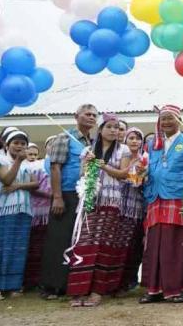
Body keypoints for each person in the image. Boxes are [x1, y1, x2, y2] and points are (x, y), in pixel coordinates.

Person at [66, 113, 133, 307]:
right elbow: (81, 174)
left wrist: (103, 166)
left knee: (104, 244)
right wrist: (88, 163)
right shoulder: (87, 149)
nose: (114, 130)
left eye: (117, 127)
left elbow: (123, 174)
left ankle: (97, 291)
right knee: (84, 244)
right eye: (110, 126)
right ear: (101, 129)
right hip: (89, 200)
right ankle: (79, 291)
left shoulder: (124, 150)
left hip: (111, 202)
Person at [139, 105, 183, 304]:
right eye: (162, 119)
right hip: (154, 198)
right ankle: (153, 289)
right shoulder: (151, 144)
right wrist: (140, 173)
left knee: (173, 244)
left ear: (179, 120)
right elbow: (144, 167)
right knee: (153, 244)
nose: (166, 122)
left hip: (177, 198)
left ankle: (174, 289)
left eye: (170, 118)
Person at [41, 104, 98, 299]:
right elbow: (55, 167)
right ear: (76, 116)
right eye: (87, 114)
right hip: (65, 194)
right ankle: (52, 285)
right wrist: (57, 197)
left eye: (94, 115)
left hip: (85, 195)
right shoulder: (64, 138)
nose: (91, 117)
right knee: (60, 239)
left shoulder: (93, 141)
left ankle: (71, 283)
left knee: (79, 240)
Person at [0, 131, 42, 300]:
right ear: (7, 145)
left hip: (23, 210)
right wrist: (17, 161)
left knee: (18, 248)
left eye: (23, 144)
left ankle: (12, 285)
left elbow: (35, 184)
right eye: (16, 143)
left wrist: (18, 186)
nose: (20, 146)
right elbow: (7, 180)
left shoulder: (27, 165)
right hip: (1, 210)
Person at [120, 127, 147, 292]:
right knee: (120, 242)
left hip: (138, 205)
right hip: (121, 203)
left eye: (138, 138)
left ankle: (130, 280)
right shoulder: (120, 156)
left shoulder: (145, 159)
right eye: (131, 138)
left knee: (135, 243)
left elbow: (141, 181)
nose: (135, 141)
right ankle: (116, 280)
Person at [23, 142, 52, 291]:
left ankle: (43, 278)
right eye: (30, 153)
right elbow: (34, 189)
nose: (33, 157)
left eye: (35, 154)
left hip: (51, 212)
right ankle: (31, 280)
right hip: (37, 212)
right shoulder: (34, 167)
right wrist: (51, 195)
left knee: (47, 247)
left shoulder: (52, 165)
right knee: (35, 246)